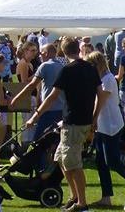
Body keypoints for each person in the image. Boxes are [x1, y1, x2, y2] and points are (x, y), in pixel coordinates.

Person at [26, 38, 110, 212]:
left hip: (74, 123)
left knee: (73, 163)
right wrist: (94, 119)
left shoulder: (67, 70)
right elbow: (100, 95)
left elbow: (51, 97)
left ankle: (82, 203)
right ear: (78, 50)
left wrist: (35, 116)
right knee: (61, 159)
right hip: (80, 122)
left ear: (62, 52)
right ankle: (74, 196)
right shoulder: (91, 69)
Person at [84, 51, 125, 206]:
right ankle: (106, 197)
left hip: (111, 124)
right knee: (101, 162)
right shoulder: (101, 79)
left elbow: (100, 102)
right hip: (103, 125)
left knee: (111, 160)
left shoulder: (108, 79)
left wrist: (92, 121)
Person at [11, 43, 65, 140]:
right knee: (55, 140)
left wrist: (16, 98)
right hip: (61, 109)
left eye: (41, 53)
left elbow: (31, 85)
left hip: (48, 109)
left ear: (46, 53)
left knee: (39, 140)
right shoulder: (62, 66)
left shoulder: (44, 66)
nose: (39, 55)